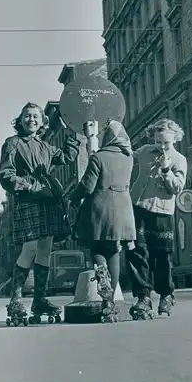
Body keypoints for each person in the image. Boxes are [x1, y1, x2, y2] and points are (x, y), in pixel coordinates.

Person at [0, 102, 80, 323]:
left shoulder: (44, 146)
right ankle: (16, 299)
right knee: (31, 247)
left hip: (51, 202)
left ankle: (39, 300)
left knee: (45, 248)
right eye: (27, 116)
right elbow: (6, 174)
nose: (31, 119)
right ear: (20, 120)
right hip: (30, 200)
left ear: (43, 121)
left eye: (36, 116)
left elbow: (66, 157)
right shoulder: (13, 143)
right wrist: (29, 185)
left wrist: (74, 132)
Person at [69, 120, 136, 322]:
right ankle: (110, 301)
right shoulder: (129, 157)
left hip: (100, 210)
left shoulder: (98, 157)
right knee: (114, 252)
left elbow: (87, 186)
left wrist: (73, 197)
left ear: (108, 138)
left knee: (97, 250)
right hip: (123, 211)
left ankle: (104, 290)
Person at [127, 118, 188, 319]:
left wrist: (166, 170)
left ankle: (166, 294)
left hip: (162, 211)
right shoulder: (144, 151)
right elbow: (126, 155)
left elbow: (177, 188)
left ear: (175, 139)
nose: (161, 146)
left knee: (162, 255)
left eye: (166, 143)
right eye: (158, 141)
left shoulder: (179, 159)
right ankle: (143, 296)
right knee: (137, 252)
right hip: (138, 207)